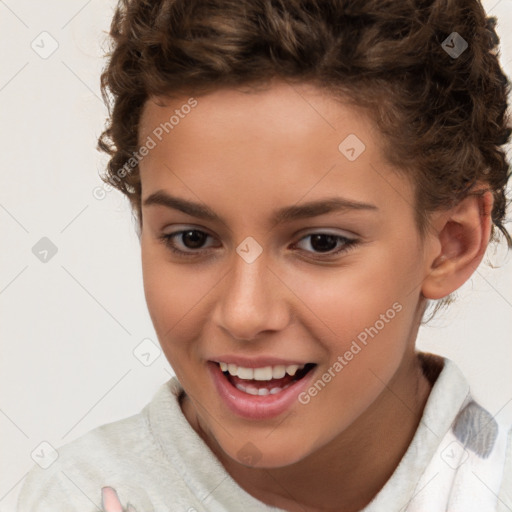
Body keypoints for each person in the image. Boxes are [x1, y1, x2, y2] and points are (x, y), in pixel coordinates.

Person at [17, 0, 512, 511]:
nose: (244, 314)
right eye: (192, 238)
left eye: (321, 242)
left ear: (452, 243)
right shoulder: (71, 498)